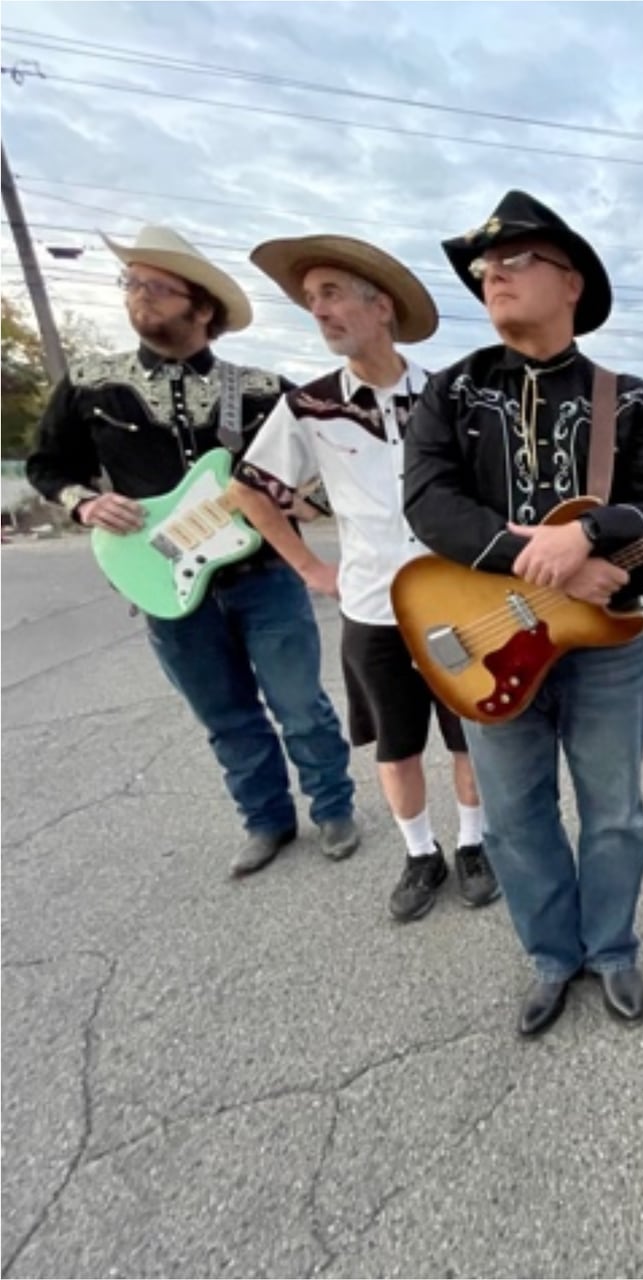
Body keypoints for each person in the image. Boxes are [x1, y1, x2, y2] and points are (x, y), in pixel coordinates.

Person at [403, 191, 643, 1035]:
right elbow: (429, 501)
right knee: (516, 817)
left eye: (516, 258)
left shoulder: (633, 401)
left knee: (615, 812)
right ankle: (550, 956)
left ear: (571, 282)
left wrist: (592, 536)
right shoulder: (451, 394)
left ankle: (610, 949)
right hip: (487, 645)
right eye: (484, 266)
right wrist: (544, 562)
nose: (492, 273)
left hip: (607, 650)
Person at [26, 225, 359, 877]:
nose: (138, 297)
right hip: (162, 581)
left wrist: (303, 504)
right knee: (225, 715)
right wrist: (84, 503)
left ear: (201, 306)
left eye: (156, 285)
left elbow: (334, 465)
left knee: (301, 706)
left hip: (263, 574)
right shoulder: (91, 385)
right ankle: (266, 822)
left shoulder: (262, 389)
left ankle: (333, 809)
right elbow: (47, 465)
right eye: (132, 283)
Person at [228, 234, 499, 922]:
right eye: (311, 300)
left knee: (470, 728)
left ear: (381, 309)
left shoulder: (450, 396)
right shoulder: (308, 407)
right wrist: (312, 567)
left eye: (331, 294)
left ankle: (474, 843)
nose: (318, 311)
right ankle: (420, 855)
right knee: (396, 740)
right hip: (374, 607)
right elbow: (251, 490)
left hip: (456, 603)